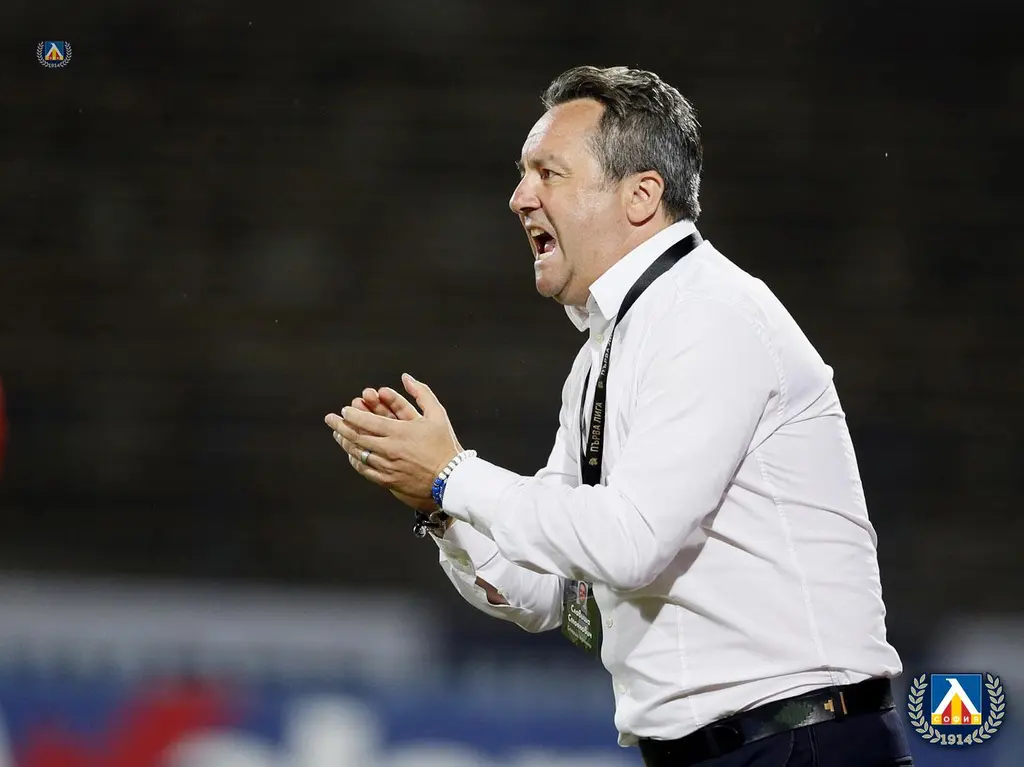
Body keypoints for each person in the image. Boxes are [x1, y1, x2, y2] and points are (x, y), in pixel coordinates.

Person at [324, 65, 913, 767]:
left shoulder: (708, 316)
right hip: (726, 749)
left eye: (549, 173)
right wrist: (439, 505)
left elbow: (631, 542)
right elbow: (542, 591)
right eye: (522, 174)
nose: (519, 197)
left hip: (798, 743)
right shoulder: (609, 349)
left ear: (640, 196)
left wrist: (455, 473)